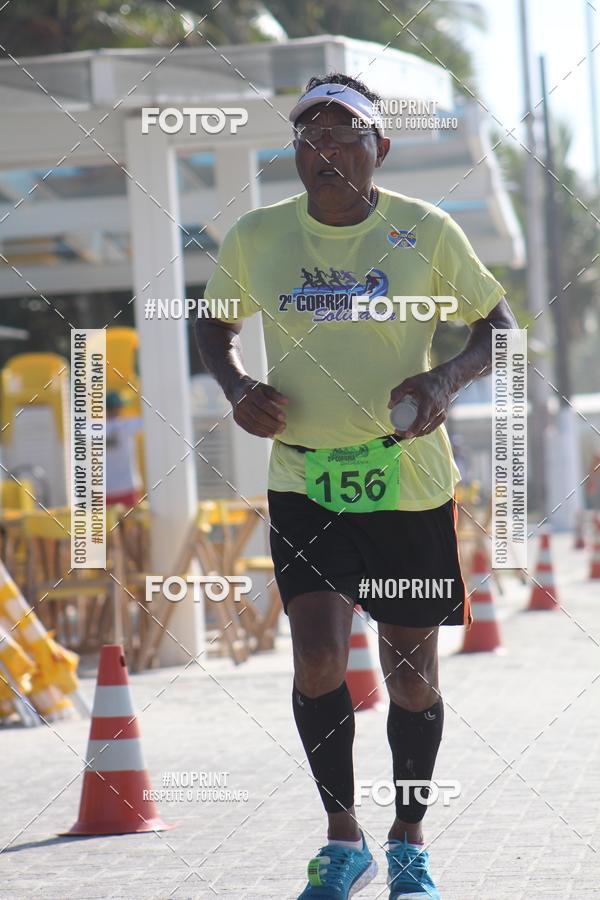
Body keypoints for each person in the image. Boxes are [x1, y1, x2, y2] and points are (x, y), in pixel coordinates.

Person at [196, 73, 517, 899]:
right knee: (316, 657)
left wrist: (445, 381)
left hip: (405, 479)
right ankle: (344, 838)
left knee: (410, 673)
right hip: (304, 477)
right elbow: (214, 323)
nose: (325, 150)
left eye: (344, 135)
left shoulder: (425, 230)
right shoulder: (257, 237)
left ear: (380, 147)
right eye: (309, 137)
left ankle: (409, 837)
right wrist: (236, 389)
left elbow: (498, 327)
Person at [105, 391, 142, 508]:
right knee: (132, 524)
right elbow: (149, 421)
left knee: (110, 525)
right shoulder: (127, 425)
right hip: (128, 485)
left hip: (106, 489)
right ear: (118, 408)